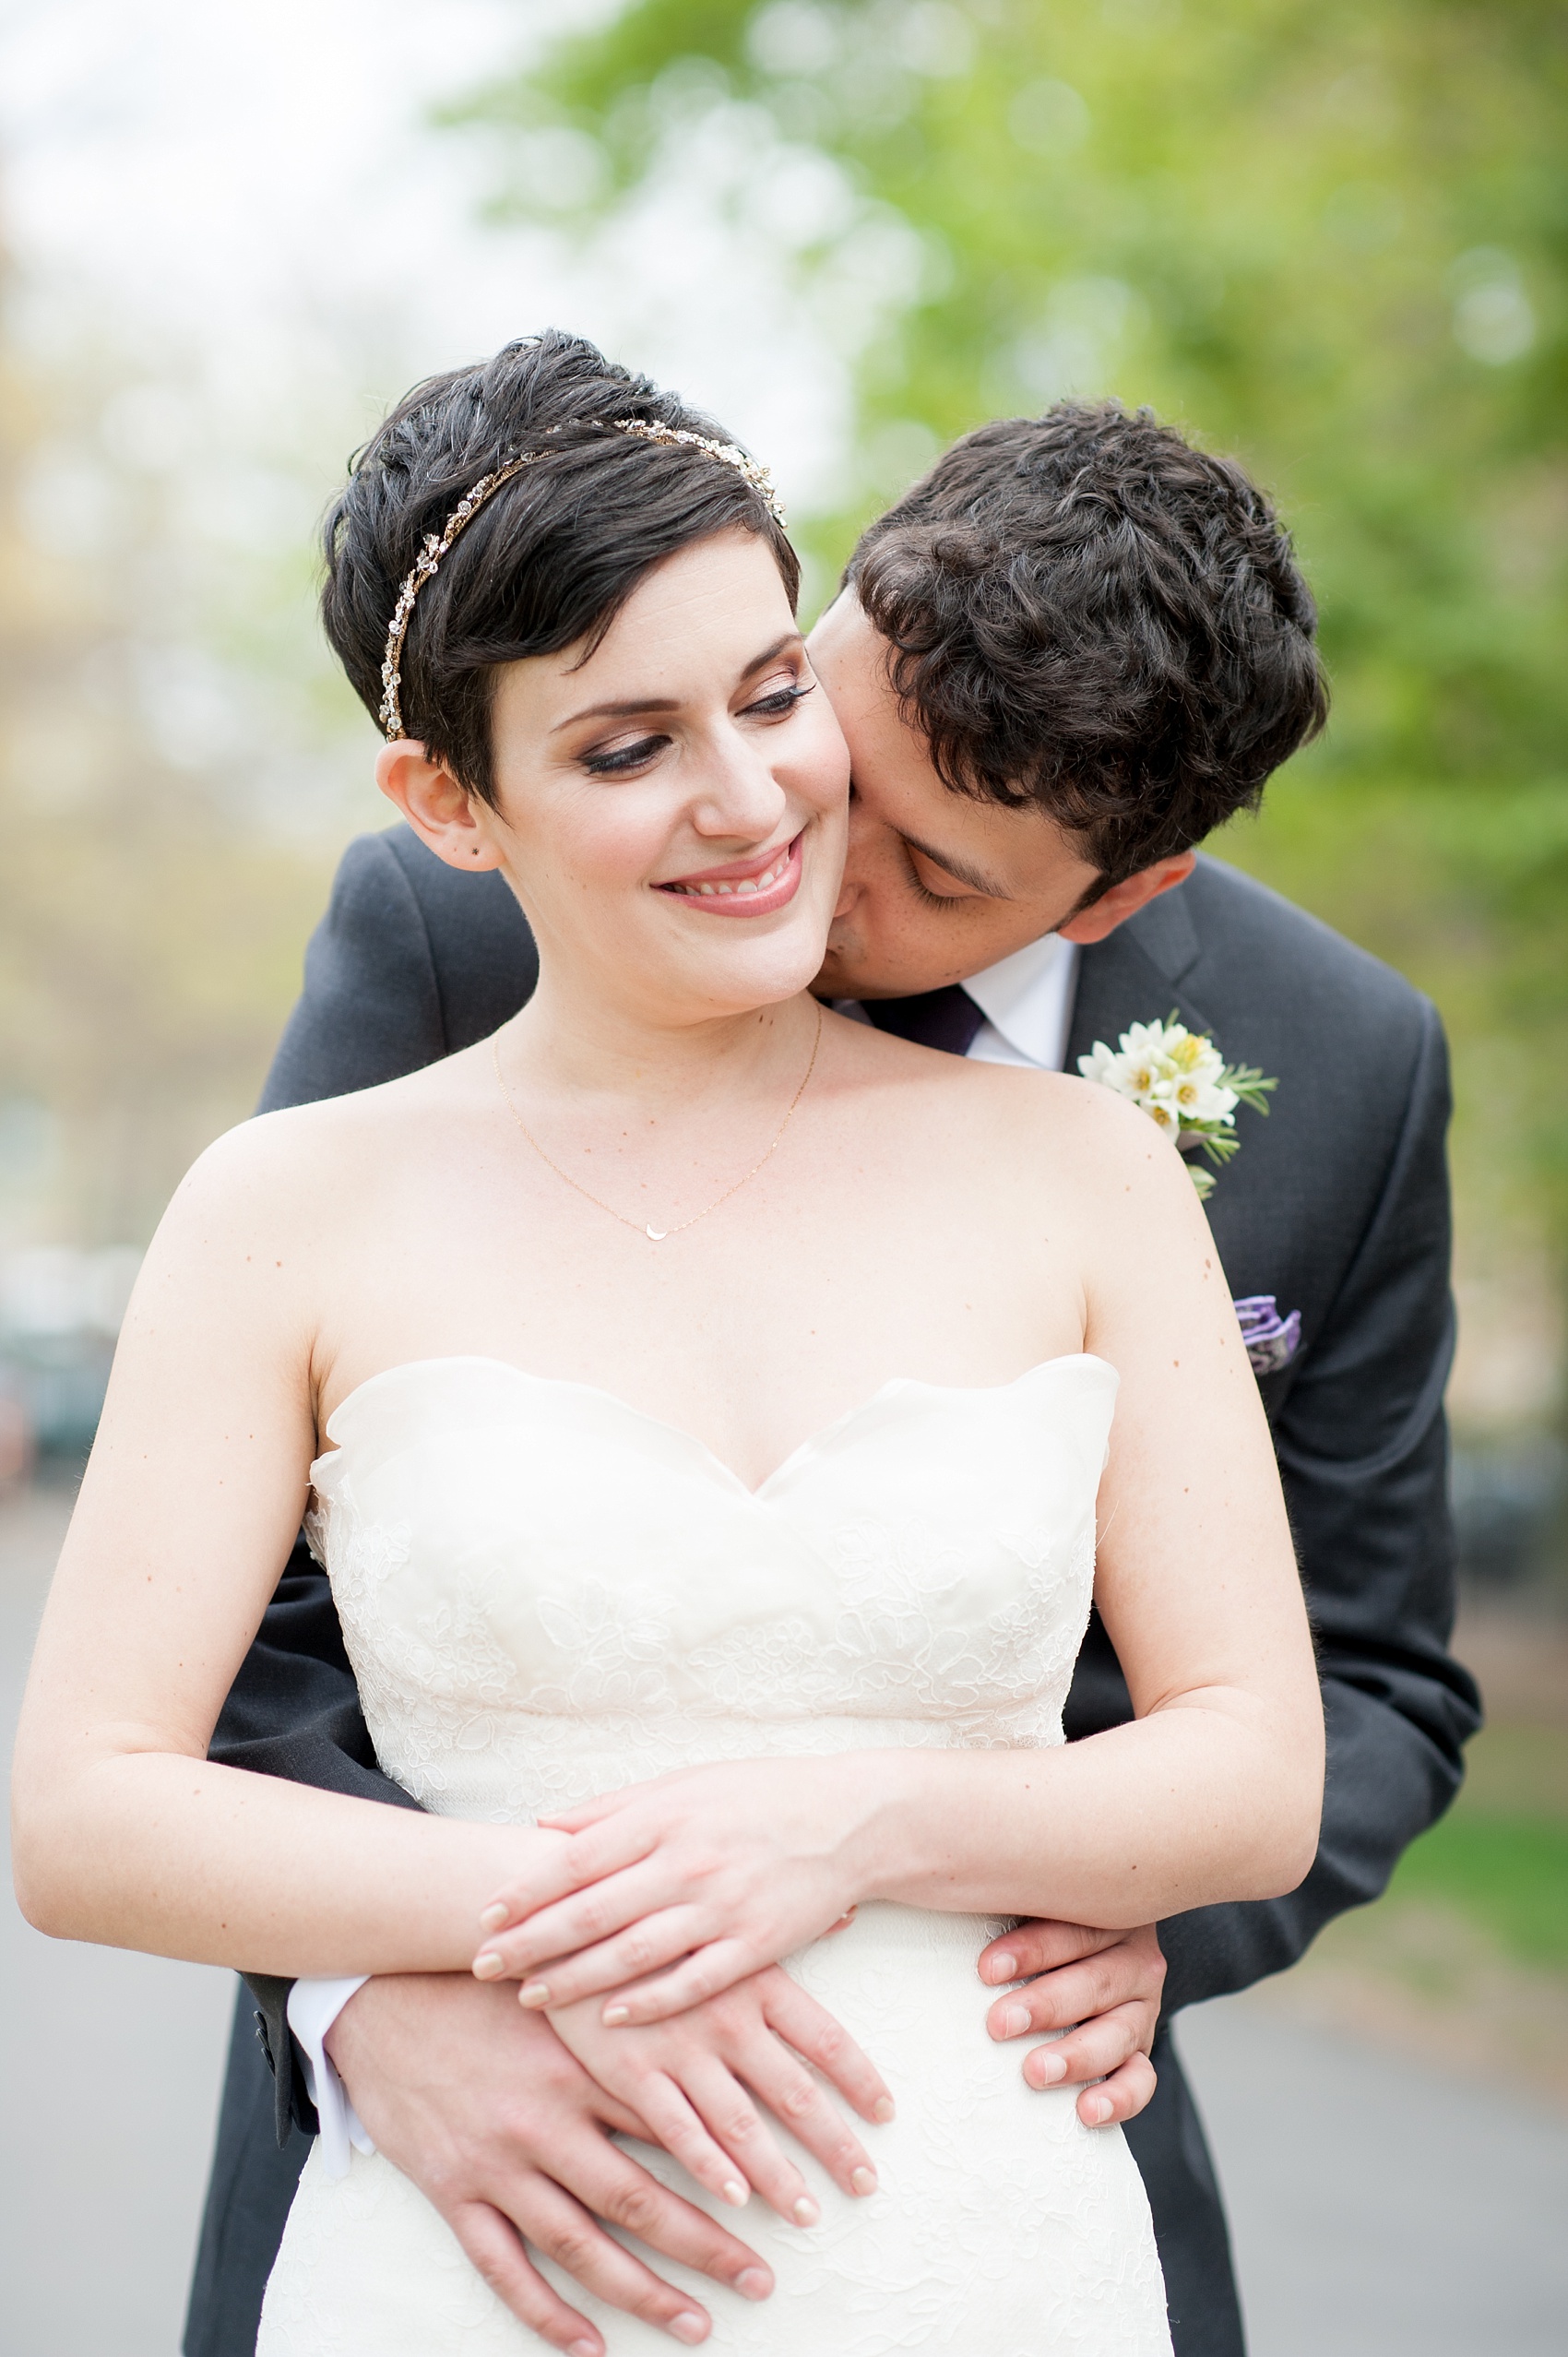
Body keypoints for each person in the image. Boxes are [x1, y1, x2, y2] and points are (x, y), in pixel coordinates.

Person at [11, 331, 1325, 2357]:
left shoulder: (1080, 1174)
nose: (751, 800)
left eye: (773, 693)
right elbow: (90, 1813)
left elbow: (1252, 1774)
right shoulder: (286, 1211)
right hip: (478, 2257)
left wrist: (847, 1828)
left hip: (993, 2246)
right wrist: (536, 1921)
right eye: (626, 748)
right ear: (452, 803)